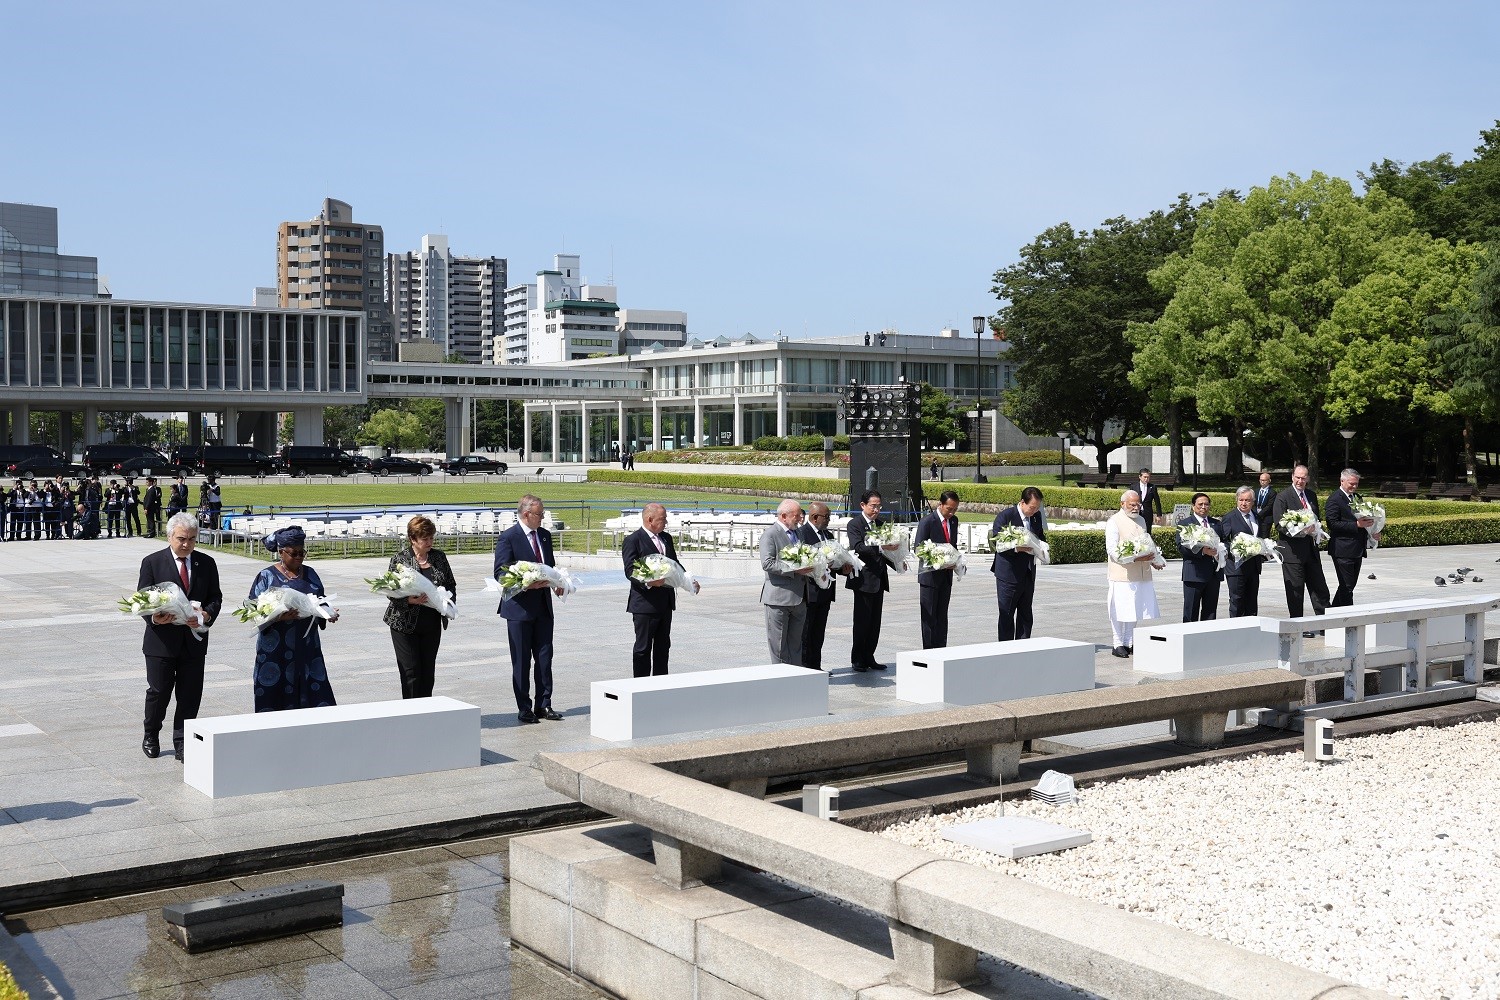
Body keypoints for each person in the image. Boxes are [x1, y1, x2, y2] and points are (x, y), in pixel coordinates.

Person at [138, 512, 223, 760]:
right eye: (181, 539)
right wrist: (155, 618)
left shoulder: (206, 563)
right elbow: (142, 599)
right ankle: (151, 733)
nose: (186, 544)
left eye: (192, 539)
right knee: (159, 692)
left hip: (193, 642)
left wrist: (206, 615)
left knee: (190, 694)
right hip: (161, 642)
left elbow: (215, 597)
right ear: (169, 537)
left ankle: (183, 741)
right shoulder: (152, 562)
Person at [248, 525, 339, 712]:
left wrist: (327, 612)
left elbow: (320, 599)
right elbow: (252, 611)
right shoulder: (266, 577)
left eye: (302, 553)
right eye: (294, 553)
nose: (299, 557)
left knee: (316, 701)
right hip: (276, 651)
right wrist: (277, 617)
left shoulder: (311, 574)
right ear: (281, 552)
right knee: (274, 700)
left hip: (307, 649)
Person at [494, 494, 564, 724]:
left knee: (544, 658)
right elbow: (500, 573)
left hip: (543, 607)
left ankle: (544, 704)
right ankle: (524, 708)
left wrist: (557, 583)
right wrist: (525, 584)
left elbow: (549, 566)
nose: (542, 518)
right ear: (526, 514)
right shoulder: (508, 537)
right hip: (519, 609)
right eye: (539, 514)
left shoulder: (544, 535)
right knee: (522, 661)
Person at [384, 515, 457, 699]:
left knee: (427, 673)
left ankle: (426, 710)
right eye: (425, 539)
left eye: (431, 538)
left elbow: (450, 584)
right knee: (411, 673)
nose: (430, 542)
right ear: (412, 539)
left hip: (431, 624)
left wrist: (448, 604)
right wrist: (409, 600)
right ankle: (411, 711)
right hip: (404, 624)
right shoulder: (400, 559)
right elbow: (390, 591)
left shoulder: (439, 557)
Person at [623, 502, 698, 677]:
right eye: (663, 519)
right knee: (643, 649)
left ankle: (661, 684)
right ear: (650, 519)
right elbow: (630, 570)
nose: (666, 522)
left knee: (663, 647)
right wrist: (650, 581)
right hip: (645, 605)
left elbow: (675, 564)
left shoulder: (666, 538)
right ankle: (641, 686)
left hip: (665, 602)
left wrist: (689, 581)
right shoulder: (633, 540)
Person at [1272, 464, 1330, 632]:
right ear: (1292, 477)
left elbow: (1316, 519)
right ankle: (1298, 627)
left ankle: (1326, 625)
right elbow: (1279, 525)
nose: (1300, 481)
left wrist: (1316, 530)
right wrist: (1302, 531)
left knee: (1320, 588)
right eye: (1297, 477)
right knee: (1296, 592)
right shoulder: (1283, 497)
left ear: (1308, 479)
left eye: (1303, 478)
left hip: (1311, 551)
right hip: (1292, 553)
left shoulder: (1311, 495)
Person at [1105, 490, 1162, 657]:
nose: (1136, 507)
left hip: (1141, 573)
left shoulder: (1142, 520)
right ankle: (1117, 643)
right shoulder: (1114, 521)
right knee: (1119, 608)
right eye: (1132, 504)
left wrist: (1154, 560)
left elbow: (1146, 543)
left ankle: (1128, 641)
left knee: (1135, 608)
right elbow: (1112, 550)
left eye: (1138, 504)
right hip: (1122, 574)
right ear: (1122, 504)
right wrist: (1135, 558)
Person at [760, 498, 814, 665]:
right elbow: (767, 563)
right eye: (796, 515)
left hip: (800, 598)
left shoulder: (798, 533)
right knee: (779, 646)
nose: (800, 519)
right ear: (784, 516)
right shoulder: (770, 535)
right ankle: (781, 677)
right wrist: (795, 568)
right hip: (779, 599)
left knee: (796, 644)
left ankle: (796, 675)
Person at [846, 490, 894, 671]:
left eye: (879, 506)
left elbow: (886, 552)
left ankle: (869, 656)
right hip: (863, 580)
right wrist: (880, 547)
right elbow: (857, 547)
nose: (876, 510)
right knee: (862, 621)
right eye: (873, 506)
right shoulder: (855, 524)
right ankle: (857, 658)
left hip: (879, 579)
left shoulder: (881, 525)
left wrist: (897, 562)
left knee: (875, 622)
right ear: (863, 505)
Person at [991, 486, 1046, 641]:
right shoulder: (1006, 516)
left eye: (1037, 508)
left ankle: (1023, 646)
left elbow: (1040, 537)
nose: (1034, 511)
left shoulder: (1036, 517)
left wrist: (1042, 549)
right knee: (1007, 614)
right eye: (1032, 507)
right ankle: (1006, 648)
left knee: (1026, 613)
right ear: (1022, 502)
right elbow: (997, 542)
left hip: (1028, 572)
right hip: (1009, 574)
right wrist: (1016, 548)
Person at [799, 501, 843, 670]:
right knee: (806, 632)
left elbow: (835, 560)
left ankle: (816, 665)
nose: (829, 520)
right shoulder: (802, 534)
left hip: (826, 591)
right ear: (815, 517)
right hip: (810, 592)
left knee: (819, 632)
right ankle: (805, 667)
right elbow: (802, 561)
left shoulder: (828, 535)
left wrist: (843, 567)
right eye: (827, 517)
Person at [914, 490, 961, 649]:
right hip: (930, 577)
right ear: (940, 505)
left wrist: (955, 560)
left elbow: (952, 545)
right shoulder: (927, 522)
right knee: (929, 616)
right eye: (949, 509)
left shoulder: (953, 521)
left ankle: (941, 649)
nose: (952, 513)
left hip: (946, 577)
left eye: (955, 509)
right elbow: (918, 549)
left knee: (942, 616)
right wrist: (940, 561)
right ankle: (928, 650)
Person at [1325, 468, 1377, 607]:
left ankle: (1333, 613)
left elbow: (1364, 519)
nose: (1354, 486)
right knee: (1347, 586)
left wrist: (1372, 530)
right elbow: (1332, 524)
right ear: (1342, 481)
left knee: (1348, 585)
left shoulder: (1357, 497)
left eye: (1356, 484)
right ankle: (1348, 616)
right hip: (1342, 550)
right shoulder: (1334, 499)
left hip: (1357, 549)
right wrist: (1356, 525)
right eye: (1351, 483)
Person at [1176, 492, 1224, 622]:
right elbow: (1181, 546)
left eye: (1206, 504)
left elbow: (1225, 542)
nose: (1203, 507)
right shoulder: (1185, 523)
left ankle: (1208, 634)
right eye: (1200, 504)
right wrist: (1202, 551)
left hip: (1213, 574)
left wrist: (1221, 551)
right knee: (1191, 610)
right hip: (1194, 574)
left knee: (1210, 611)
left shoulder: (1216, 524)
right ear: (1193, 506)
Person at [1220, 486, 1264, 618]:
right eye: (1241, 500)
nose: (1244, 503)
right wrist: (1239, 548)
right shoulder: (1230, 517)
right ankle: (1236, 628)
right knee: (1237, 601)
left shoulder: (1256, 517)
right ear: (1237, 500)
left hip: (1254, 566)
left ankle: (1252, 627)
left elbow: (1261, 537)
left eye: (1247, 500)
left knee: (1252, 601)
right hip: (1236, 568)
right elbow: (1223, 541)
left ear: (1253, 502)